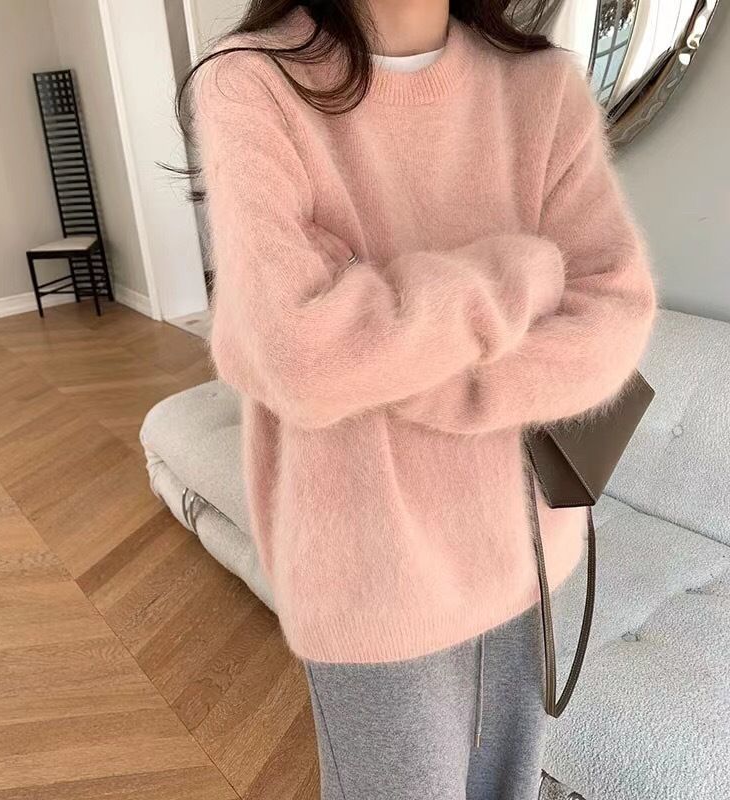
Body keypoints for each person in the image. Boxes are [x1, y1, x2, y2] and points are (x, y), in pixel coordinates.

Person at [178, 2, 658, 798]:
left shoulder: (541, 87)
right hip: (370, 577)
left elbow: (615, 315)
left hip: (528, 554)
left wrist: (388, 352)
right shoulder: (254, 82)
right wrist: (525, 275)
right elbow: (299, 354)